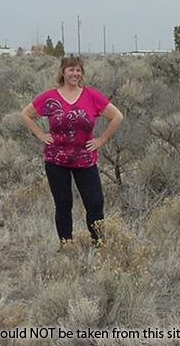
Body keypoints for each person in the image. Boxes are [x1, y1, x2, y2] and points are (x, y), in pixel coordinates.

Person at [20, 56, 123, 245]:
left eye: (78, 70)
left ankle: (98, 243)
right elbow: (26, 114)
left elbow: (117, 116)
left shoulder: (91, 95)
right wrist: (41, 135)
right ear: (62, 72)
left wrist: (102, 139)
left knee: (95, 203)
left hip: (85, 160)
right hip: (56, 160)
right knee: (63, 203)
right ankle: (66, 245)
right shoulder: (50, 97)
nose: (75, 74)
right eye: (71, 70)